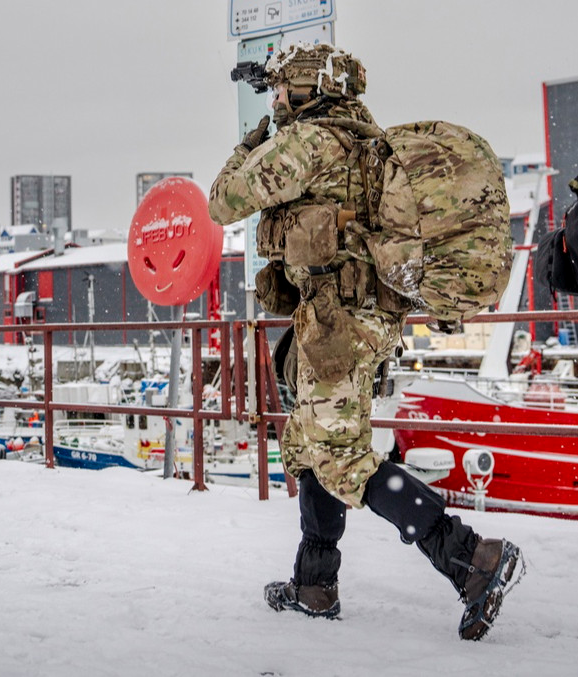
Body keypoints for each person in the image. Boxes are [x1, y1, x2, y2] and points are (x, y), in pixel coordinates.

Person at [209, 42, 521, 641]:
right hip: (355, 318)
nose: (275, 101)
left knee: (338, 456)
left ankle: (473, 560)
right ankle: (314, 585)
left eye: (280, 91)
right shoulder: (362, 142)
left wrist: (254, 138)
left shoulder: (308, 143)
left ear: (305, 89)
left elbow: (225, 199)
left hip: (337, 325)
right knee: (310, 444)